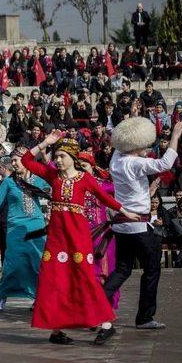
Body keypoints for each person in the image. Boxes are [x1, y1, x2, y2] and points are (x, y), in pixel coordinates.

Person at [21, 133, 139, 346]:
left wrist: (125, 212)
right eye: (56, 156)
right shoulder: (52, 175)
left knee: (85, 278)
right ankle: (56, 330)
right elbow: (25, 161)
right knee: (53, 280)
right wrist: (45, 144)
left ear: (73, 158)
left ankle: (106, 324)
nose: (57, 160)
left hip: (78, 237)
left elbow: (105, 198)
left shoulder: (85, 179)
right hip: (57, 239)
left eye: (62, 156)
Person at [103, 118, 182, 332]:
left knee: (122, 269)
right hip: (139, 226)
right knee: (152, 269)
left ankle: (96, 305)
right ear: (136, 145)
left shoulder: (115, 160)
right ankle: (145, 317)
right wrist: (175, 137)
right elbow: (164, 164)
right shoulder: (135, 163)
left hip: (121, 227)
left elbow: (119, 143)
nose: (147, 149)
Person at [0, 147, 49, 312]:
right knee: (13, 263)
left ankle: (38, 298)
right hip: (15, 227)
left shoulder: (37, 180)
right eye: (12, 160)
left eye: (16, 160)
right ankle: (3, 294)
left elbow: (52, 189)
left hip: (36, 225)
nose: (13, 163)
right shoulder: (9, 181)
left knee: (37, 262)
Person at [78, 152, 120, 309]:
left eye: (84, 166)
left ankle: (106, 306)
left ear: (92, 167)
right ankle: (88, 307)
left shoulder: (103, 184)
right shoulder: (74, 184)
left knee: (105, 270)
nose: (81, 169)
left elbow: (120, 188)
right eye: (78, 166)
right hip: (79, 233)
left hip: (101, 233)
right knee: (83, 272)